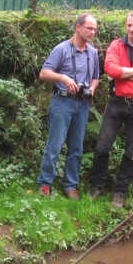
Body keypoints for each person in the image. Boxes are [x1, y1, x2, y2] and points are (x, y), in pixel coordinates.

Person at [88, 10, 133, 209]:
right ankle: (97, 186)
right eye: (129, 25)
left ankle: (119, 193)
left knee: (131, 152)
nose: (131, 29)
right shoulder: (116, 45)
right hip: (117, 102)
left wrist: (124, 74)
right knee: (103, 147)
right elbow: (110, 69)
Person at [36, 13, 100, 200]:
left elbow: (96, 77)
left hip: (82, 104)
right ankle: (45, 183)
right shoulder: (62, 49)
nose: (92, 32)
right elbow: (44, 73)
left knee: (76, 148)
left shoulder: (93, 53)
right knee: (54, 145)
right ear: (78, 27)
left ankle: (70, 185)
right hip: (62, 102)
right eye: (89, 28)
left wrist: (93, 88)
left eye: (95, 29)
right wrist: (63, 78)